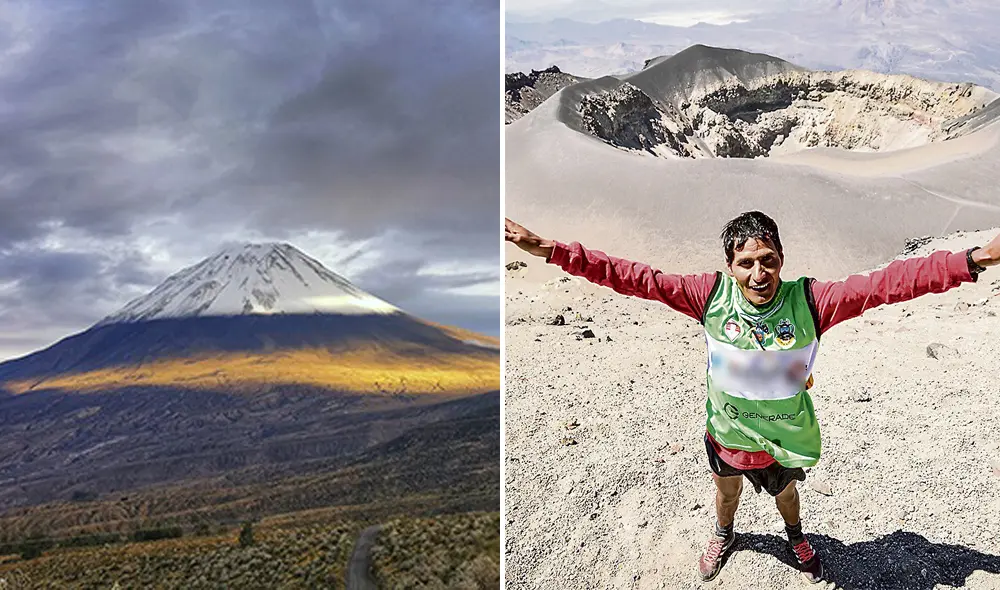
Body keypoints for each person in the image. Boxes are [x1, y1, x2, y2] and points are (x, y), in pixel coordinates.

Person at [504, 212, 999, 583]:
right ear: (729, 265)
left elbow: (891, 284)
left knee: (786, 494)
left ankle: (795, 535)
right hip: (728, 431)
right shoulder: (709, 296)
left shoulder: (811, 301)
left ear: (782, 259)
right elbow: (634, 278)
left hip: (782, 439)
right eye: (746, 263)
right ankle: (724, 535)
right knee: (726, 492)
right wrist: (551, 250)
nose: (758, 274)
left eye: (768, 261)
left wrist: (973, 260)